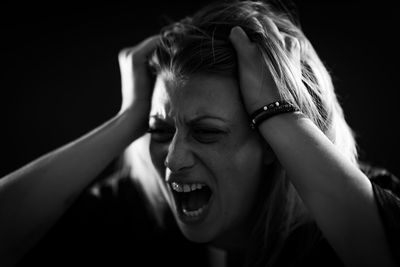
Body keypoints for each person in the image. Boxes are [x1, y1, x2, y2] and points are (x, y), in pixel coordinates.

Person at [0, 1, 399, 266]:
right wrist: (126, 122)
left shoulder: (353, 212)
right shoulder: (144, 212)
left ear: (276, 144)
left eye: (206, 132)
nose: (172, 159)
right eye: (161, 130)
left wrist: (280, 113)